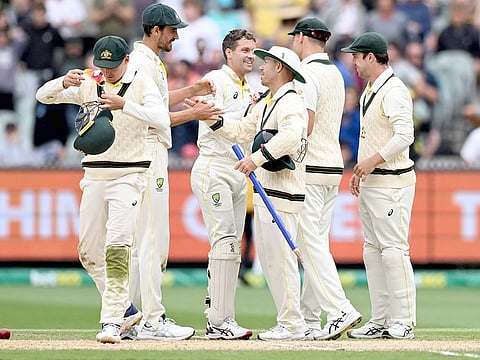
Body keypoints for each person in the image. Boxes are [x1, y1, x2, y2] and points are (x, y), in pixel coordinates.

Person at [36, 35, 170, 344]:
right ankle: (125, 311)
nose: (107, 72)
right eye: (102, 66)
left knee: (117, 246)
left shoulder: (140, 82)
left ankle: (110, 321)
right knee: (88, 252)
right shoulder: (90, 82)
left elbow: (162, 119)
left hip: (129, 174)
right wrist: (62, 81)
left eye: (112, 66)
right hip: (94, 175)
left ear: (126, 61)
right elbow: (43, 96)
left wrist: (127, 105)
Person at [123, 3, 223, 341]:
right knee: (153, 240)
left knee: (143, 243)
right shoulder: (141, 63)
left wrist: (192, 92)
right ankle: (152, 319)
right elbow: (153, 116)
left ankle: (131, 317)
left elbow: (158, 103)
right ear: (154, 30)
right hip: (149, 151)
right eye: (171, 30)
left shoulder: (149, 61)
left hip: (149, 152)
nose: (177, 36)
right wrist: (195, 114)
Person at [199, 45, 309, 340]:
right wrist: (209, 117)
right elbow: (242, 129)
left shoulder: (290, 101)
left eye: (267, 62)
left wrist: (255, 159)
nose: (260, 66)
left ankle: (293, 323)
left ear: (281, 69)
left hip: (283, 190)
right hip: (267, 190)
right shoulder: (268, 101)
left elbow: (290, 136)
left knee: (281, 260)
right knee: (272, 260)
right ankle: (288, 321)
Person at [288, 17, 362, 341]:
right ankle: (309, 317)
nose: (293, 43)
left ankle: (340, 309)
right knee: (317, 243)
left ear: (303, 39)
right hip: (333, 166)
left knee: (310, 245)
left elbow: (305, 124)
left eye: (295, 38)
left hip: (311, 167)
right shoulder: (335, 71)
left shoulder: (305, 73)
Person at [340, 32, 417, 340]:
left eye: (357, 57)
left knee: (393, 251)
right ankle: (382, 319)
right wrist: (361, 171)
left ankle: (404, 321)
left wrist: (371, 162)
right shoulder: (370, 89)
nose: (353, 63)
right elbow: (372, 136)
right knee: (373, 252)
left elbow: (405, 136)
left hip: (392, 183)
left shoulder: (394, 90)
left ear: (371, 57)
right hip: (373, 182)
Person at [190, 28, 256, 340]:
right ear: (228, 52)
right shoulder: (217, 79)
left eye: (252, 50)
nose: (250, 55)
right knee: (225, 242)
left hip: (238, 170)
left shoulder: (250, 88)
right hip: (213, 166)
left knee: (233, 249)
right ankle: (217, 320)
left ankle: (222, 316)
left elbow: (247, 131)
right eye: (244, 50)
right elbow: (204, 107)